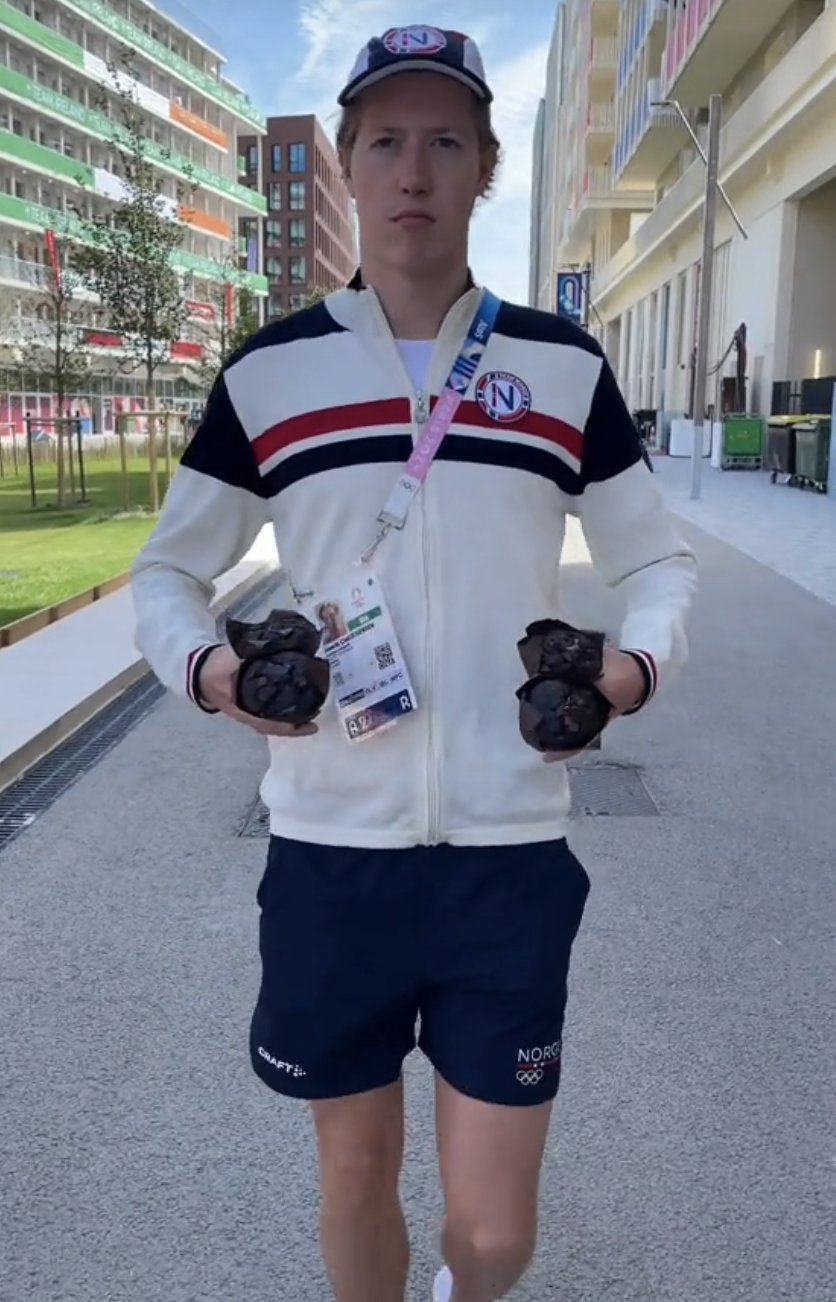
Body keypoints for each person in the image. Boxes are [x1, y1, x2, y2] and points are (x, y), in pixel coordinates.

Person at [131, 24, 697, 1302]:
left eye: (445, 139)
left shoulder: (559, 367)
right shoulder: (271, 373)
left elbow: (654, 565)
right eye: (385, 138)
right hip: (331, 858)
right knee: (354, 1179)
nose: (413, 167)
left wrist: (636, 669)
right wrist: (209, 675)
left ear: (485, 164)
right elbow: (169, 572)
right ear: (345, 160)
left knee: (490, 1237)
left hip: (509, 859)